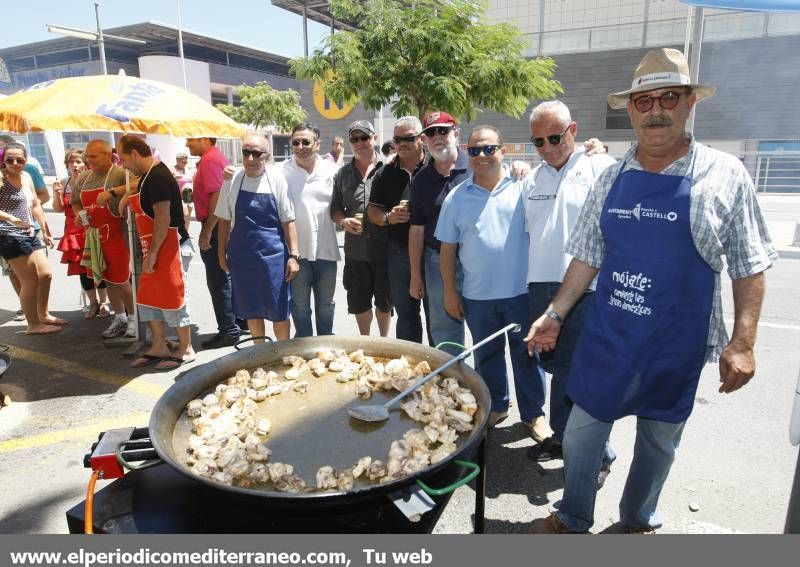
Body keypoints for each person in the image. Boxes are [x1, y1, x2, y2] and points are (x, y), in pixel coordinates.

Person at [526, 48, 777, 534]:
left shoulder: (726, 175)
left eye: (669, 97)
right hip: (610, 336)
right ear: (631, 110)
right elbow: (586, 255)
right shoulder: (610, 177)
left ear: (689, 105)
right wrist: (555, 313)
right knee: (580, 435)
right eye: (644, 101)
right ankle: (574, 515)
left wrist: (743, 342)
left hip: (675, 344)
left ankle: (637, 519)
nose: (656, 110)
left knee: (659, 444)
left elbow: (750, 265)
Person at [523, 100, 617, 460]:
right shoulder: (531, 177)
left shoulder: (601, 167)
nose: (547, 148)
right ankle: (563, 439)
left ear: (573, 131)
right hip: (541, 286)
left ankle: (598, 455)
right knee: (554, 368)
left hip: (585, 290)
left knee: (578, 375)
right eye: (538, 142)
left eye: (554, 137)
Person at [436, 126, 544, 429]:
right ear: (467, 155)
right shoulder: (457, 198)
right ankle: (497, 406)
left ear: (503, 150)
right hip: (477, 295)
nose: (482, 156)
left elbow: (557, 174)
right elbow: (447, 251)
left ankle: (534, 414)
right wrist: (449, 292)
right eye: (474, 150)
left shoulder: (525, 186)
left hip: (520, 292)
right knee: (487, 356)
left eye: (489, 149)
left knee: (527, 355)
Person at [116, 135, 196, 370]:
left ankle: (185, 347)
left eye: (123, 159)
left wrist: (152, 254)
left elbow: (163, 217)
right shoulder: (145, 177)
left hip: (170, 247)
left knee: (173, 296)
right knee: (150, 297)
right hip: (153, 246)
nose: (123, 165)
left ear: (135, 154)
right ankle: (159, 345)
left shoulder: (159, 176)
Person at [217, 134, 300, 342]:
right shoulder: (233, 180)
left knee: (279, 311)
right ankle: (258, 355)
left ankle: (282, 355)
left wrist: (294, 256)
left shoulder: (276, 180)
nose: (251, 159)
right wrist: (221, 254)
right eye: (246, 153)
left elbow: (288, 220)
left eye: (256, 153)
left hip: (273, 258)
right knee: (251, 309)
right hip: (242, 257)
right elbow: (224, 220)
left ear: (267, 156)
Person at [409, 111, 468, 356]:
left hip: (477, 260)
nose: (437, 137)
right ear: (424, 140)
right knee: (446, 334)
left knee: (488, 329)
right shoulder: (421, 179)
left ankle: (490, 393)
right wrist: (415, 275)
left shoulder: (478, 165)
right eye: (430, 133)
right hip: (436, 262)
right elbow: (416, 230)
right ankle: (454, 390)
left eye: (443, 130)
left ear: (456, 133)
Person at [368, 116, 430, 344]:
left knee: (437, 315)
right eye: (398, 139)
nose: (402, 143)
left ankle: (440, 370)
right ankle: (412, 370)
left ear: (421, 139)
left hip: (433, 252)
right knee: (406, 315)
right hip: (399, 251)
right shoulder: (386, 172)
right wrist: (388, 218)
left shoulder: (436, 166)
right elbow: (372, 212)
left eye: (409, 138)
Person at [330, 120, 393, 336]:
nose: (360, 143)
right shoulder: (342, 174)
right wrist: (343, 222)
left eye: (364, 137)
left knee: (384, 304)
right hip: (355, 252)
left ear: (374, 138)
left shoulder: (389, 170)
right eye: (354, 139)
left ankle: (384, 344)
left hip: (384, 250)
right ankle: (365, 343)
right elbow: (336, 208)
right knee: (359, 304)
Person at [72, 139, 136, 339]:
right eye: (87, 156)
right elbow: (75, 202)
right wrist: (80, 215)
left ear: (108, 155)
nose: (88, 160)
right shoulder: (83, 178)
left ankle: (134, 319)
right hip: (94, 236)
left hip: (117, 234)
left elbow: (137, 184)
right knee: (107, 279)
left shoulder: (120, 173)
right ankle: (119, 318)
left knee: (122, 280)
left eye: (93, 156)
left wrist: (112, 193)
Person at [281, 123, 340, 337]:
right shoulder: (280, 172)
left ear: (317, 144)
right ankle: (304, 348)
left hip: (326, 251)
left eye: (306, 141)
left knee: (326, 305)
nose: (300, 146)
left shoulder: (332, 170)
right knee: (300, 307)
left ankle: (325, 344)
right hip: (297, 255)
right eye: (295, 142)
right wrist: (232, 174)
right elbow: (255, 172)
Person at [0, 142, 63, 334]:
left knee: (45, 275)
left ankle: (43, 315)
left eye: (19, 159)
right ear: (3, 160)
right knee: (29, 281)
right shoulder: (1, 178)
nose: (15, 163)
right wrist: (10, 217)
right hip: (9, 234)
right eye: (9, 159)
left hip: (29, 232)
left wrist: (44, 229)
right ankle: (33, 325)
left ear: (25, 160)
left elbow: (35, 204)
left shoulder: (26, 176)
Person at [186, 136, 241, 348]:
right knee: (225, 275)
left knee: (218, 279)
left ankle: (228, 329)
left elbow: (217, 196)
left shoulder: (210, 160)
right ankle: (236, 321)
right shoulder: (213, 158)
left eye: (190, 139)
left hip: (216, 224)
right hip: (219, 223)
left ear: (203, 138)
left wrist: (207, 230)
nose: (187, 144)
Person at [52, 149, 110, 319]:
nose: (75, 165)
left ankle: (104, 302)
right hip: (73, 231)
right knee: (82, 269)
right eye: (72, 162)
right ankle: (93, 303)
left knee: (97, 264)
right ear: (67, 165)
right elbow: (58, 208)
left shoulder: (92, 180)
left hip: (91, 228)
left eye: (78, 161)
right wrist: (56, 193)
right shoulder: (64, 182)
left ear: (85, 163)